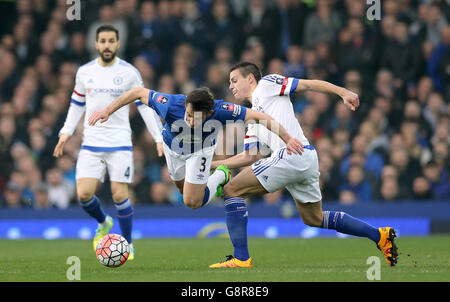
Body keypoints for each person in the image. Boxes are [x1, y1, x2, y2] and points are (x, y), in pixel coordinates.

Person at [209, 62, 398, 268]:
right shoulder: (251, 117)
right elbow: (248, 156)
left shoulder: (268, 83)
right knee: (314, 218)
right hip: (303, 159)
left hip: (292, 154)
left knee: (231, 190)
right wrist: (212, 164)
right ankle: (379, 235)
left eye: (234, 80)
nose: (230, 86)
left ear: (250, 78)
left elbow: (308, 85)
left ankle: (241, 258)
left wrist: (342, 92)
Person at [88, 86, 303, 213]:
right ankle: (207, 181)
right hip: (173, 152)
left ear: (209, 113)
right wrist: (108, 110)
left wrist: (288, 138)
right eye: (187, 114)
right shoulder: (171, 104)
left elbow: (260, 116)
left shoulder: (223, 110)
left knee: (192, 202)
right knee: (183, 191)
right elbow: (137, 92)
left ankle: (220, 175)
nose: (188, 118)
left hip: (200, 153)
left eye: (193, 116)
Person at [53, 25, 164, 260]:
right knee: (83, 194)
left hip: (120, 142)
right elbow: (77, 105)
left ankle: (128, 244)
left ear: (117, 44)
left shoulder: (129, 72)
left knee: (118, 195)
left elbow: (144, 105)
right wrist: (65, 133)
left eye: (111, 41)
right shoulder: (84, 72)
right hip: (91, 142)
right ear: (96, 44)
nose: (106, 45)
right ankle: (104, 222)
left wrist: (158, 137)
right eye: (102, 41)